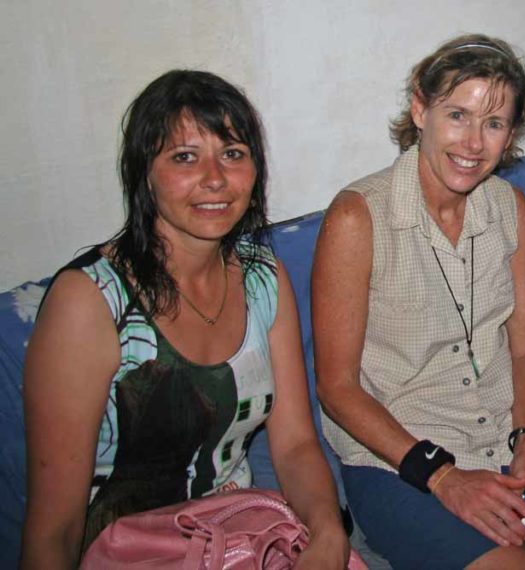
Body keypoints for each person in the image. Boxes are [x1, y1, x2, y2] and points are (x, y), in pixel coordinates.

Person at [313, 34, 525, 569]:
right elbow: (336, 389)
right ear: (420, 108)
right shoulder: (357, 219)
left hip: (512, 429)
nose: (473, 143)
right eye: (457, 115)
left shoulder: (508, 208)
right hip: (401, 459)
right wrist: (444, 478)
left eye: (494, 124)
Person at [21, 70, 350, 568]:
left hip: (240, 535)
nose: (215, 178)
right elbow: (55, 528)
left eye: (233, 154)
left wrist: (327, 533)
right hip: (128, 552)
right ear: (144, 174)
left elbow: (297, 445)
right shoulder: (90, 302)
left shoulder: (264, 278)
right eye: (185, 157)